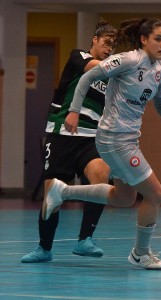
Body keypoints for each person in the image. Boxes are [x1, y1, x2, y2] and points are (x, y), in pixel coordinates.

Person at [42, 18, 161, 270]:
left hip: (127, 139)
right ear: (143, 39)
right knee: (155, 193)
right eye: (158, 38)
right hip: (114, 138)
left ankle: (63, 191)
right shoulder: (127, 60)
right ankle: (141, 253)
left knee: (125, 197)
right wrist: (73, 110)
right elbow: (87, 78)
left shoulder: (160, 69)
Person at [21, 20, 117, 263]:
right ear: (94, 40)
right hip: (62, 135)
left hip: (90, 139)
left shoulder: (112, 77)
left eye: (113, 47)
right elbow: (96, 68)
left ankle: (85, 239)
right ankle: (44, 248)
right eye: (106, 43)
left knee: (101, 174)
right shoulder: (80, 57)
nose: (109, 49)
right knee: (51, 193)